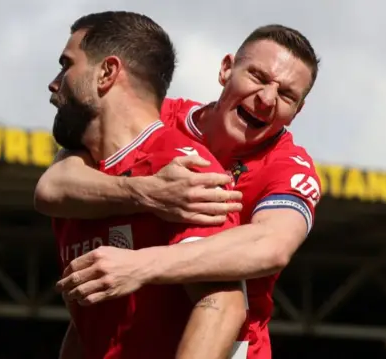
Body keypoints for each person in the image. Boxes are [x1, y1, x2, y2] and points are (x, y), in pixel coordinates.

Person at [35, 24, 322, 359]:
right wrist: (145, 191)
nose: (267, 99)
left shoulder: (289, 167)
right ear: (226, 69)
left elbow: (271, 245)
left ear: (298, 110)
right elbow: (52, 186)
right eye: (257, 76)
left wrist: (139, 265)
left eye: (287, 95)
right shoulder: (156, 117)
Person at [46, 11, 249, 359]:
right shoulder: (81, 180)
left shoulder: (182, 169)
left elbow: (223, 303)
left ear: (107, 73)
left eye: (67, 65)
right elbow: (92, 325)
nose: (55, 83)